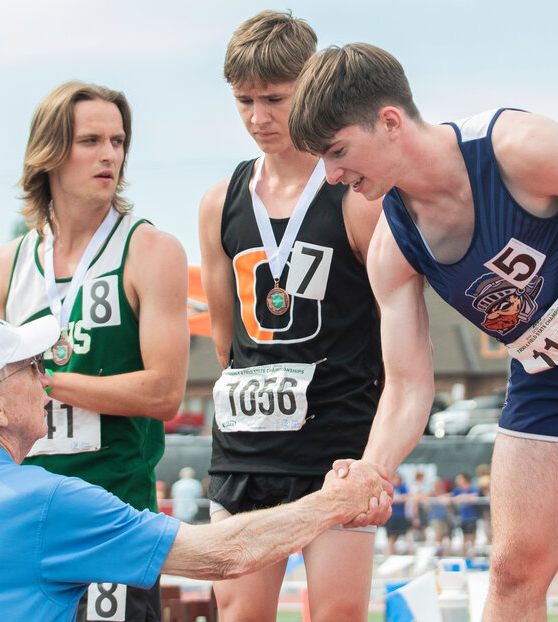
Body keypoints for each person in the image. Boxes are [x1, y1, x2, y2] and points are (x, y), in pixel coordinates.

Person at [289, 42, 558, 621]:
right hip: (548, 369)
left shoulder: (517, 148)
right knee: (514, 567)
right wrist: (373, 467)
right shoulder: (393, 245)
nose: (333, 176)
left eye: (338, 152)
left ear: (389, 122)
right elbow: (409, 386)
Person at [0, 310, 388, 622]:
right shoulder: (44, 501)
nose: (48, 380)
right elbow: (225, 554)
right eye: (33, 367)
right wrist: (336, 500)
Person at [0, 81, 190, 621]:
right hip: (22, 520)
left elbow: (165, 391)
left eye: (118, 141)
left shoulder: (151, 250)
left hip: (112, 518)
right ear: (49, 153)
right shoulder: (6, 265)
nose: (110, 155)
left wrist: (41, 380)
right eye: (91, 140)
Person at [197, 11, 385, 622]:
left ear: (309, 85)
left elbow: (392, 326)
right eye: (244, 101)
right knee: (241, 615)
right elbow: (226, 338)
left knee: (335, 614)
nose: (258, 118)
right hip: (246, 449)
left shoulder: (354, 193)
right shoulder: (218, 201)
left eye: (274, 99)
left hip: (335, 442)